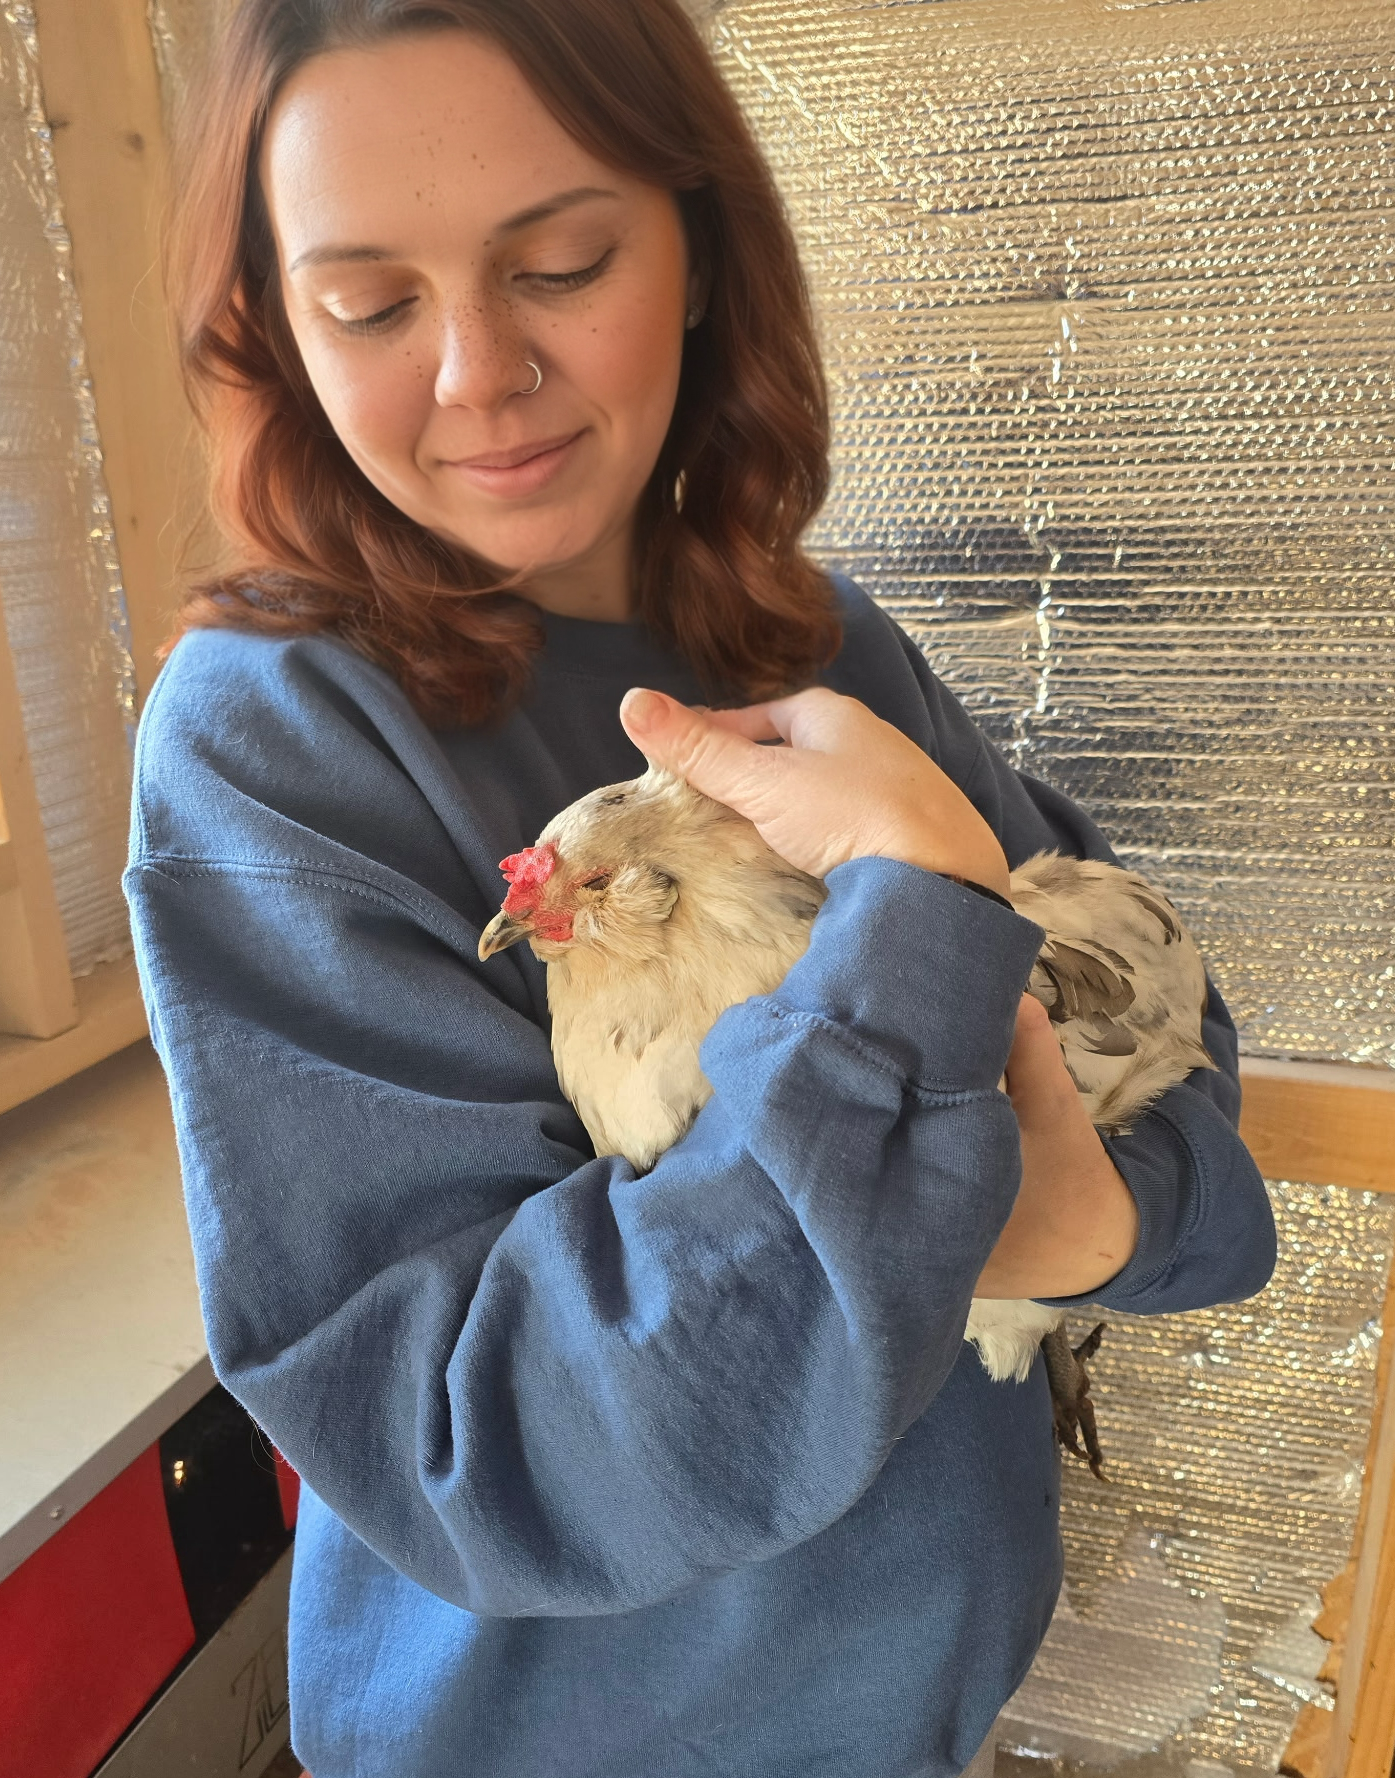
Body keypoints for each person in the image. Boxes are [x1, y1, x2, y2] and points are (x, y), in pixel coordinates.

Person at [126, 2, 1276, 1773]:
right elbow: (480, 1440)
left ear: (700, 254)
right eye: (370, 302)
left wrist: (1096, 1221)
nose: (473, 372)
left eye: (563, 261)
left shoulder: (823, 652)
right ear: (274, 328)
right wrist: (912, 954)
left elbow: (1173, 1082)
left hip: (918, 1717)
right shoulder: (269, 746)